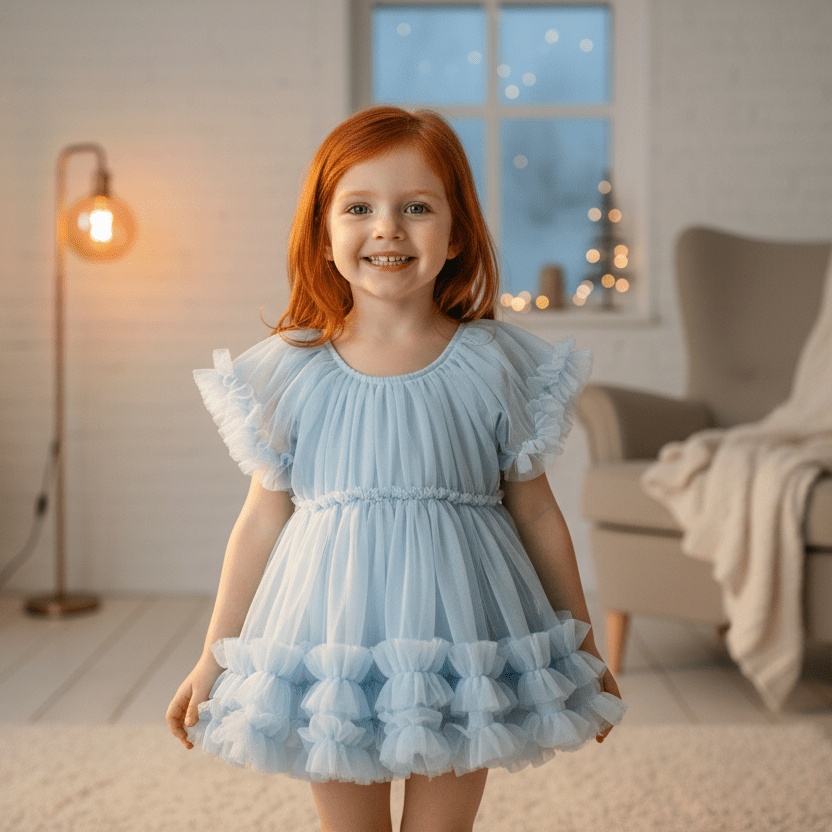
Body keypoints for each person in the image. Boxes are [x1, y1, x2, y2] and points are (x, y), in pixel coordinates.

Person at [166, 105, 626, 832]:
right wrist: (210, 656)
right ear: (324, 235)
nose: (388, 227)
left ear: (456, 234)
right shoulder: (292, 372)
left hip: (466, 639)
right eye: (359, 208)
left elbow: (535, 511)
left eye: (416, 206)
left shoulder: (495, 364)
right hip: (329, 647)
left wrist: (583, 643)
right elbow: (261, 518)